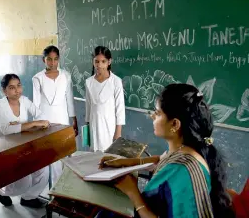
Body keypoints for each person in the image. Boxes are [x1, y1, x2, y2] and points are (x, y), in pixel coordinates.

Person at [99, 84, 234, 218]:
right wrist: (127, 162)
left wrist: (133, 193)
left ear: (175, 124)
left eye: (157, 113)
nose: (152, 116)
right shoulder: (184, 150)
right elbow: (162, 159)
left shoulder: (184, 172)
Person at [0, 74, 50, 208]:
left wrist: (18, 125)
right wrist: (30, 124)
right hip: (3, 149)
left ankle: (28, 198)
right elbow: (6, 130)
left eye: (19, 86)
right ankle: (0, 190)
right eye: (11, 87)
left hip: (23, 146)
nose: (17, 90)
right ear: (4, 91)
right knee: (25, 180)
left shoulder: (24, 100)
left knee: (44, 169)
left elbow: (40, 114)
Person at [32, 45, 78, 184]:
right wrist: (37, 124)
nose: (52, 63)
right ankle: (56, 189)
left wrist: (74, 119)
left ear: (59, 59)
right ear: (43, 60)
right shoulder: (37, 78)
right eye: (49, 59)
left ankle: (68, 186)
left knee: (67, 152)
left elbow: (69, 99)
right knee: (52, 155)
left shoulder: (65, 76)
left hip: (63, 117)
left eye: (56, 59)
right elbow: (36, 104)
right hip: (46, 120)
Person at [85, 46, 125, 152]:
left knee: (108, 156)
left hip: (109, 126)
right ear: (93, 62)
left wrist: (118, 132)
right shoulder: (89, 82)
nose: (99, 65)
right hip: (94, 125)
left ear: (109, 62)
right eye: (96, 61)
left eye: (103, 61)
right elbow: (88, 106)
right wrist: (87, 129)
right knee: (94, 154)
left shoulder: (116, 81)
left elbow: (120, 108)